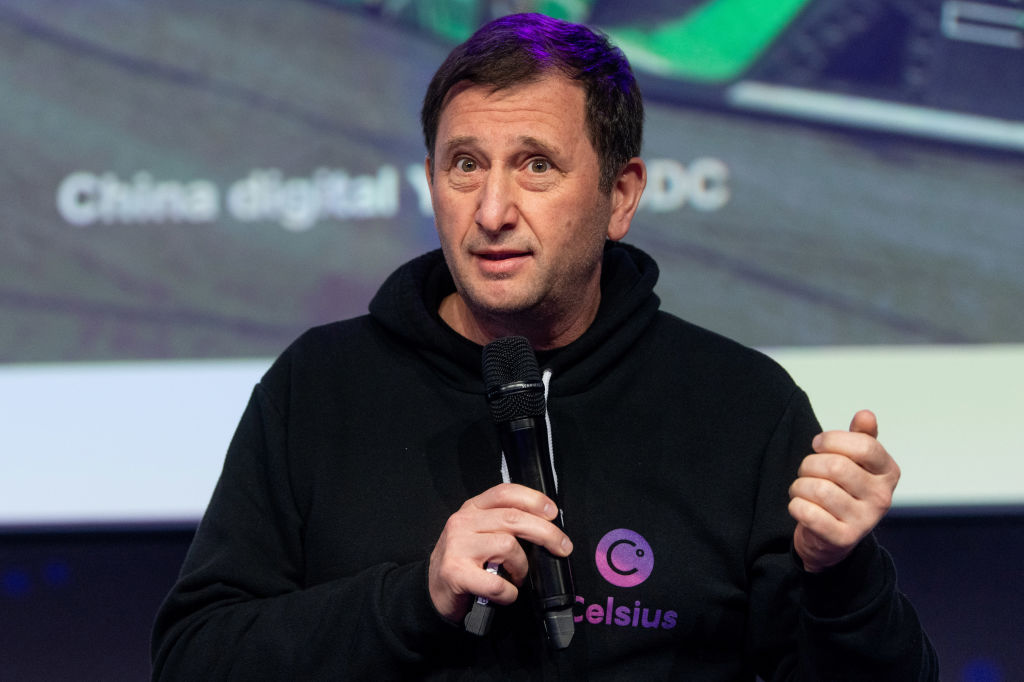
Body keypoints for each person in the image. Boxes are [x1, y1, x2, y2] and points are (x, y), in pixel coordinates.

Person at [152, 13, 938, 680]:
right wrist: (415, 598)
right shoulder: (320, 387)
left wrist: (841, 577)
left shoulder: (741, 406)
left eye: (535, 165)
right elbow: (195, 659)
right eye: (466, 165)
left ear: (620, 196)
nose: (492, 209)